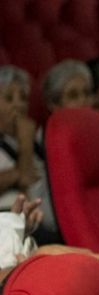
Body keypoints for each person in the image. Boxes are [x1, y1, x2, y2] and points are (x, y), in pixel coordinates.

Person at [0, 65, 56, 241]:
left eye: (23, 98)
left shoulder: (37, 138)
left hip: (41, 216)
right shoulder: (26, 136)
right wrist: (25, 142)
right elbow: (27, 181)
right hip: (9, 220)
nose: (18, 105)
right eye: (9, 98)